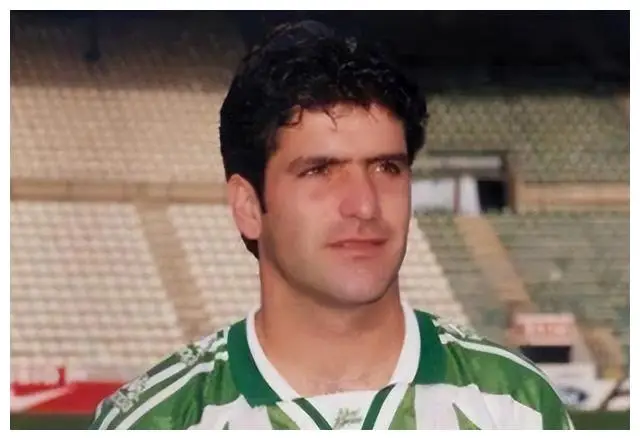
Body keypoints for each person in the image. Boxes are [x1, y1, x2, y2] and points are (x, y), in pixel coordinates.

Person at [89, 20, 574, 430]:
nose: (364, 204)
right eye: (319, 170)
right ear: (248, 206)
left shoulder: (517, 407)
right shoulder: (157, 422)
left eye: (387, 168)